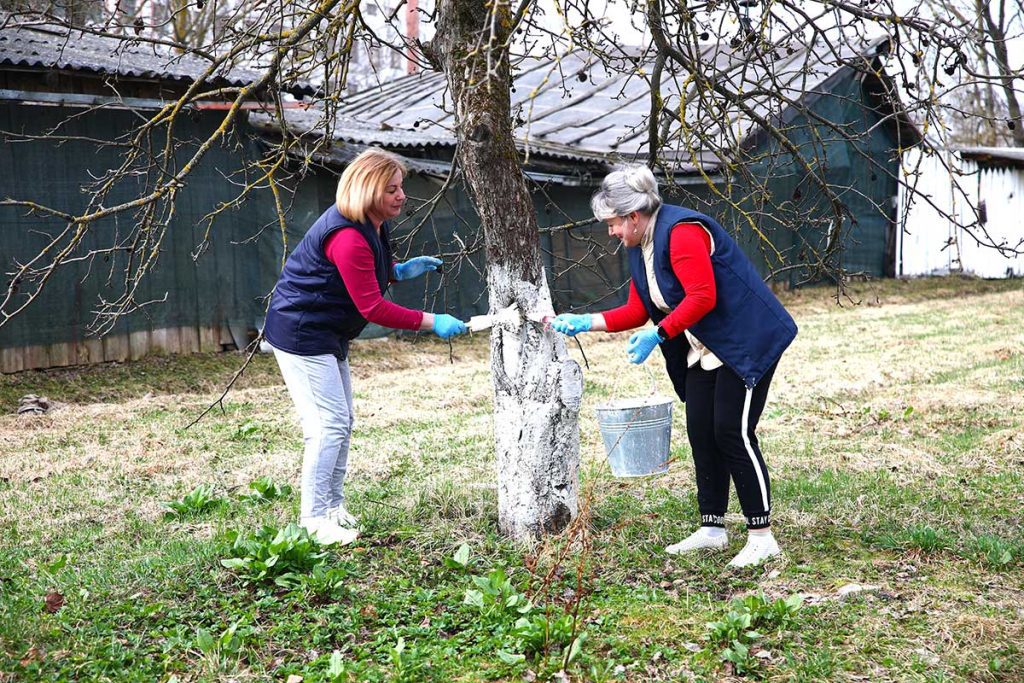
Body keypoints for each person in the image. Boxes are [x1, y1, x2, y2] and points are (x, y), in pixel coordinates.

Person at [550, 165, 797, 567]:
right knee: (701, 430)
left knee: (732, 432)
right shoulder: (639, 246)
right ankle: (713, 528)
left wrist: (658, 335)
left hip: (744, 340)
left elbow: (702, 297)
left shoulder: (681, 232)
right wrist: (586, 321)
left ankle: (761, 534)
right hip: (703, 346)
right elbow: (637, 309)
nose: (611, 233)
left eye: (613, 223)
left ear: (633, 216)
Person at [263, 148, 467, 545]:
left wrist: (397, 271)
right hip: (302, 333)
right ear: (368, 190)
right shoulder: (347, 236)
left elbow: (365, 274)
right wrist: (431, 322)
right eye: (391, 189)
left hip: (328, 331)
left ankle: (333, 508)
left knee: (343, 422)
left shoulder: (374, 224)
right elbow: (371, 306)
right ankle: (313, 519)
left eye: (401, 187)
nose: (401, 195)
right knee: (327, 426)